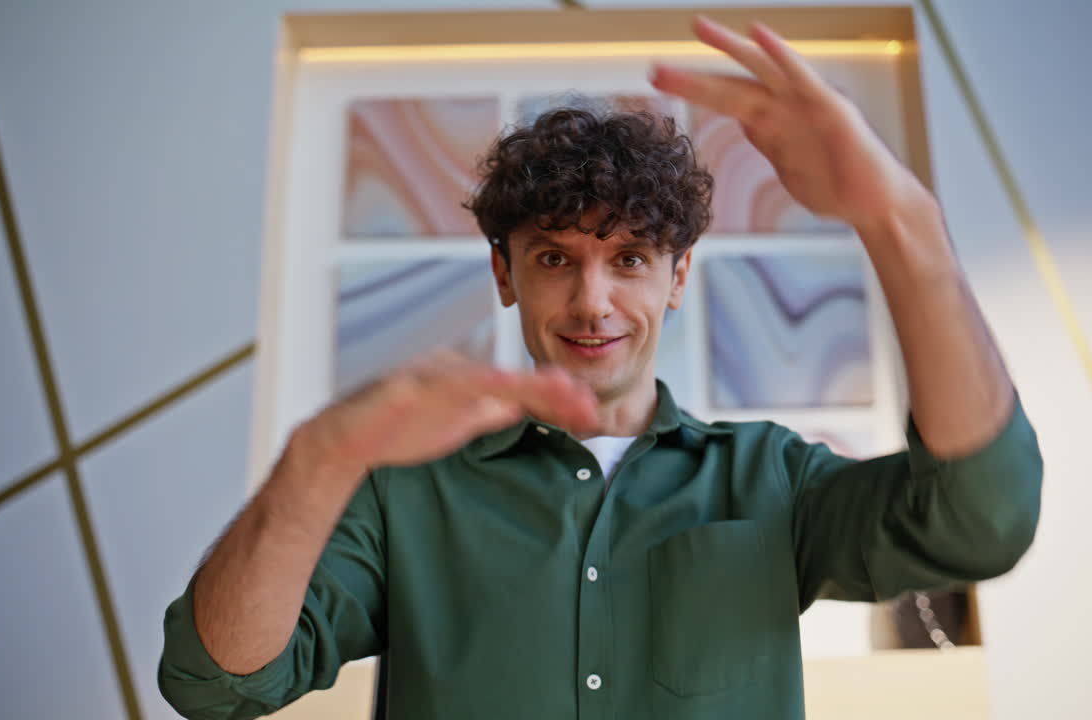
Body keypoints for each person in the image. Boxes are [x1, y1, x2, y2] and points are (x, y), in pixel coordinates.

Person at [158, 16, 1042, 720]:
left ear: (678, 277)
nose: (592, 302)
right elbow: (214, 683)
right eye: (554, 259)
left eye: (629, 260)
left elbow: (981, 524)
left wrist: (900, 218)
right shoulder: (405, 494)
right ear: (504, 274)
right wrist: (317, 458)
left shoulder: (770, 478)